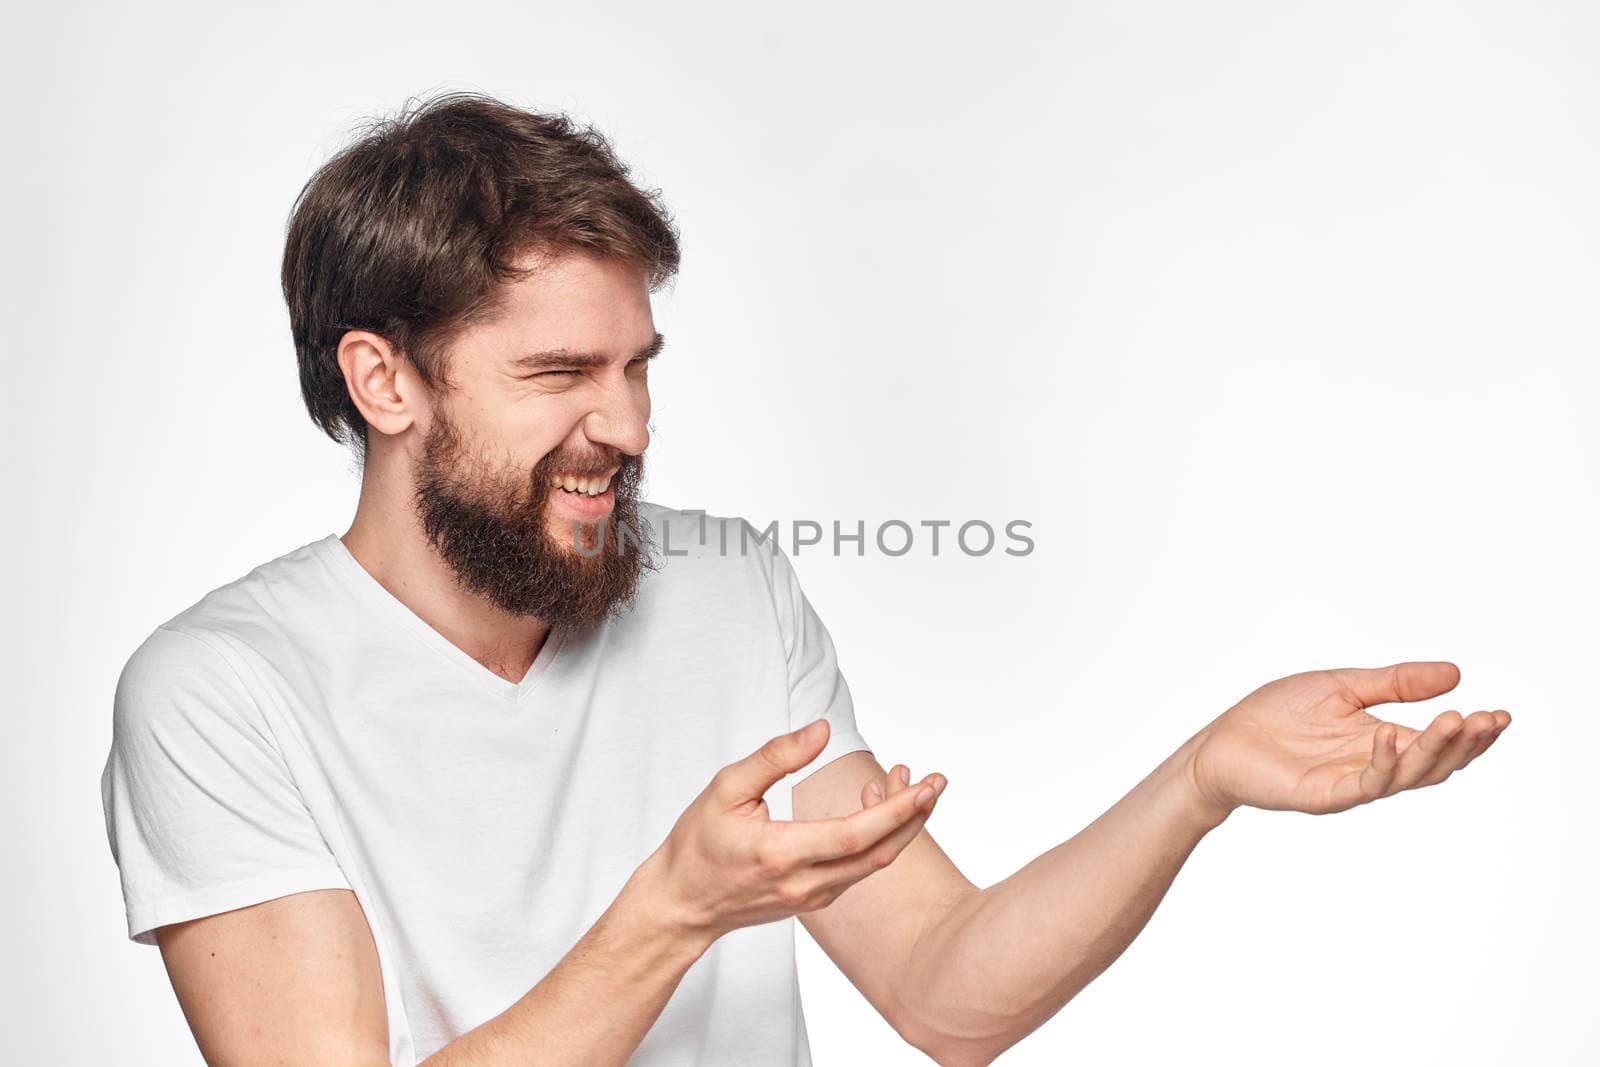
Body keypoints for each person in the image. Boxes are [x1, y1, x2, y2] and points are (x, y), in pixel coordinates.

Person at [99, 91, 1512, 1067]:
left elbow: (948, 994)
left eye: (638, 366)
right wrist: (674, 911)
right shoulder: (224, 693)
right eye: (558, 373)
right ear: (383, 378)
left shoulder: (727, 594)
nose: (630, 428)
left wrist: (1198, 780)